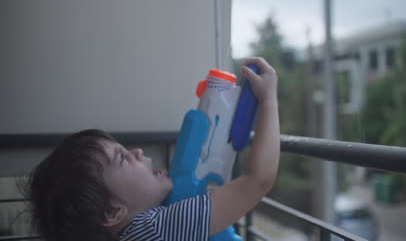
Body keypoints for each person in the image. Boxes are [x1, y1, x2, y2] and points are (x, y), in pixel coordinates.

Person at [26, 57, 280, 241]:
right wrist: (268, 98)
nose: (136, 152)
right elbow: (258, 181)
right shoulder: (156, 230)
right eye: (123, 159)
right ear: (114, 211)